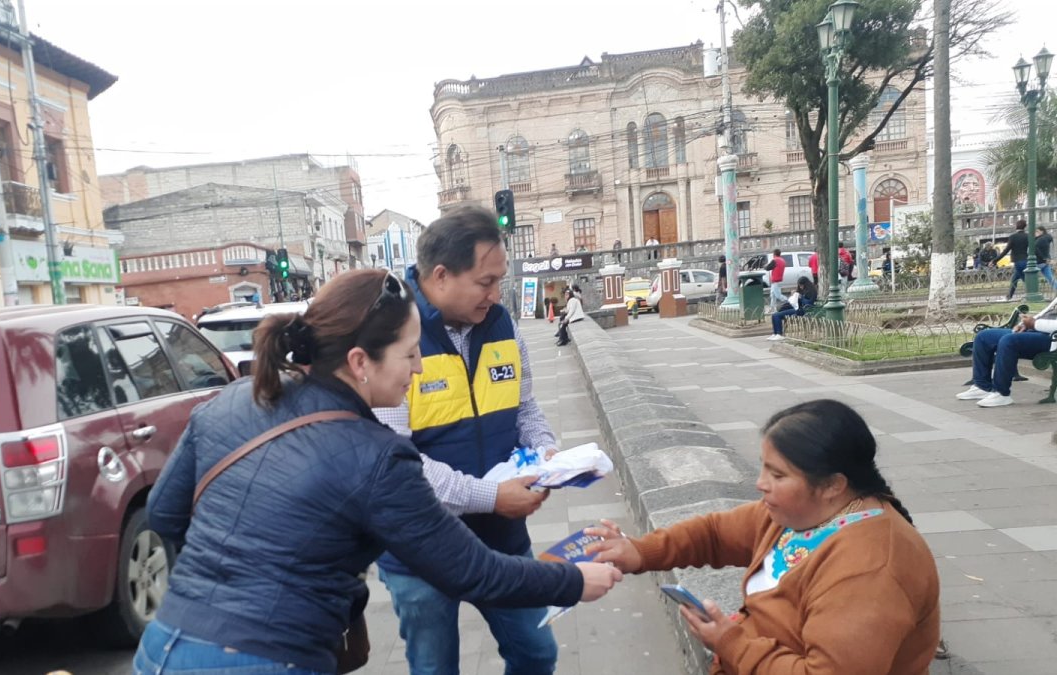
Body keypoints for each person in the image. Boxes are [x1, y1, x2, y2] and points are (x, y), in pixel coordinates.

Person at [137, 269, 623, 675]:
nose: (417, 369)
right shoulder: (377, 456)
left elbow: (163, 513)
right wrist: (574, 582)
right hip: (268, 658)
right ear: (359, 362)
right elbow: (471, 571)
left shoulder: (233, 400)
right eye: (410, 354)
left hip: (162, 647)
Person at [587, 399, 940, 674]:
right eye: (763, 467)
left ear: (833, 484)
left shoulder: (871, 571)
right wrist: (640, 551)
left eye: (777, 474)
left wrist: (731, 643)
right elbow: (714, 533)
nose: (760, 483)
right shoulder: (798, 515)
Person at [372, 208, 573, 675]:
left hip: (501, 540)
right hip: (419, 548)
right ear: (440, 276)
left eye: (500, 280)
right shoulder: (393, 336)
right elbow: (396, 460)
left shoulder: (502, 325)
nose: (495, 294)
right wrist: (489, 496)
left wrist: (545, 453)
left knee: (536, 652)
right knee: (435, 667)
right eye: (485, 282)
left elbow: (525, 408)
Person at [956, 296, 1057, 408]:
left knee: (1008, 341)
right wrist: (1023, 324)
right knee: (983, 337)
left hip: (1052, 340)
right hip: (1037, 331)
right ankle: (982, 386)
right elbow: (1044, 313)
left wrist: (1034, 324)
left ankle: (1001, 394)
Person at [767, 276, 817, 342]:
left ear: (805, 284)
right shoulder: (802, 290)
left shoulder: (811, 291)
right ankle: (775, 333)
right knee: (774, 315)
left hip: (802, 311)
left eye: (801, 285)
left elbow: (808, 303)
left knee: (777, 316)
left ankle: (779, 334)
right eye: (799, 286)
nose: (801, 287)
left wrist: (801, 297)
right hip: (797, 308)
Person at [994, 220, 1031, 300]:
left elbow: (1006, 250)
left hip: (1017, 261)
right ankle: (1009, 296)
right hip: (1026, 260)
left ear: (1016, 226)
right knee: (1015, 279)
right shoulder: (1027, 236)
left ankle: (1030, 295)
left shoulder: (1013, 237)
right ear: (1025, 226)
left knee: (1023, 279)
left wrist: (995, 260)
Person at [1037, 226, 1055, 290]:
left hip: (1039, 261)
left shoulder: (1040, 240)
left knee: (1030, 277)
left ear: (1042, 231)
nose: (1036, 233)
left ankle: (1033, 292)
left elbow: (1036, 250)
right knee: (1050, 278)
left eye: (1037, 231)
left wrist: (1043, 259)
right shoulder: (1047, 238)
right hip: (1046, 261)